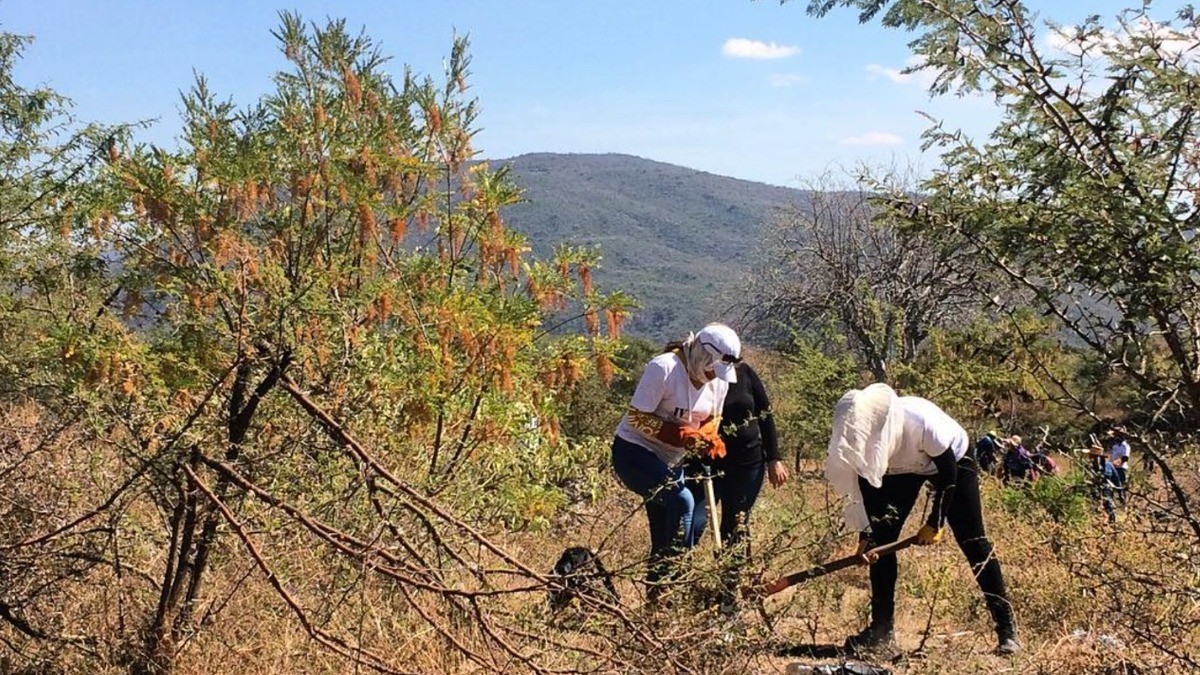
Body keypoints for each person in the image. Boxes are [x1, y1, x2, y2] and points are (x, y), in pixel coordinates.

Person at [824, 383, 1020, 655]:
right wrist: (866, 536)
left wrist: (935, 522)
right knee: (880, 545)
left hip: (952, 462)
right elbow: (867, 497)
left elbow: (948, 475)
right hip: (902, 472)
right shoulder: (862, 445)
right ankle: (881, 632)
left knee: (973, 540)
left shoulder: (921, 423)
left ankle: (1007, 630)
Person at [610, 323, 741, 600]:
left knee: (674, 529)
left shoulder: (718, 382)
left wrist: (706, 436)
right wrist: (680, 434)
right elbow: (636, 417)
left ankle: (659, 597)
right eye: (710, 369)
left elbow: (712, 418)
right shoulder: (664, 369)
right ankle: (675, 575)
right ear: (701, 355)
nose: (711, 377)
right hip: (634, 452)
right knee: (683, 502)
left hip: (671, 462)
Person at [710, 359, 789, 610]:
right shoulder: (698, 376)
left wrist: (774, 459)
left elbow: (765, 416)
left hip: (748, 464)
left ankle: (729, 595)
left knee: (735, 524)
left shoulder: (744, 373)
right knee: (694, 523)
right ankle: (681, 586)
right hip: (709, 464)